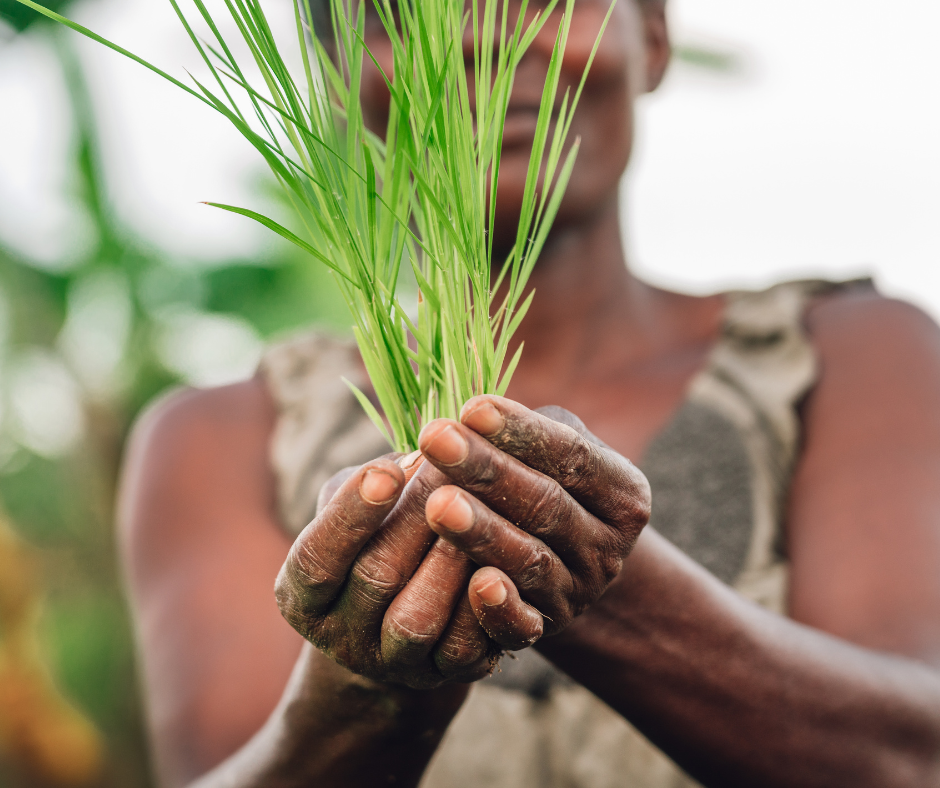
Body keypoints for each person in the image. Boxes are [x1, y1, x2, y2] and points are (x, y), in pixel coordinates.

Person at [117, 0, 940, 786]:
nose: (478, 41)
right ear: (337, 78)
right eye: (401, 14)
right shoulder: (221, 440)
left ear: (650, 35)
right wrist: (366, 696)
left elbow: (915, 758)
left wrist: (597, 581)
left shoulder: (846, 358)